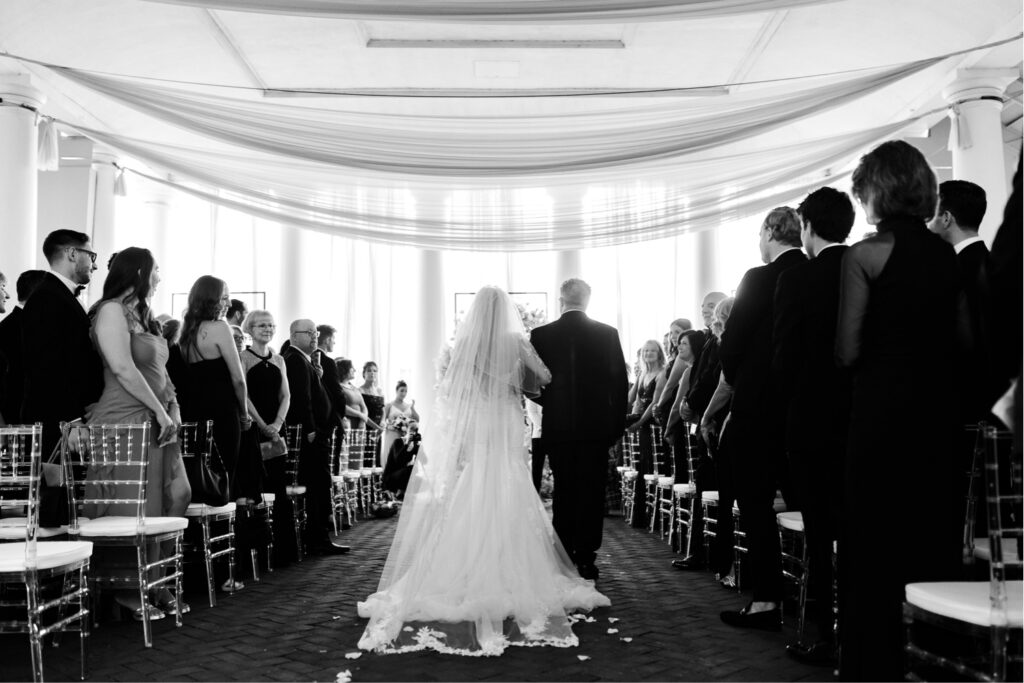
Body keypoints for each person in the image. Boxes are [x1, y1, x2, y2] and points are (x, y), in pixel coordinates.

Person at [358, 285, 608, 655]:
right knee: (509, 484)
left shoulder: (465, 344)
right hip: (505, 420)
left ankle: (463, 569)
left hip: (478, 423)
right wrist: (519, 382)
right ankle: (512, 570)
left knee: (475, 485)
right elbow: (544, 377)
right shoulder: (515, 342)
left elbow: (455, 389)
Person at [836, 140, 962, 681]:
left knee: (873, 540)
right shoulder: (949, 256)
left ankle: (873, 661)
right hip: (937, 417)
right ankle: (933, 657)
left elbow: (846, 351)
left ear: (876, 192)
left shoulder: (864, 254)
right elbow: (966, 343)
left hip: (880, 413)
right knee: (931, 533)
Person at [771, 186, 855, 665]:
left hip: (811, 424)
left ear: (807, 226)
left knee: (820, 534)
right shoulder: (868, 268)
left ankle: (827, 634)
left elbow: (784, 361)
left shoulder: (799, 281)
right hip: (861, 421)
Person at [87, 247, 191, 619]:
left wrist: (172, 408)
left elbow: (162, 374)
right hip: (125, 418)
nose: (160, 277)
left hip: (158, 418)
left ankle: (155, 581)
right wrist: (160, 411)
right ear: (139, 272)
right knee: (136, 508)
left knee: (177, 496)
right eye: (157, 270)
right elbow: (122, 368)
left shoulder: (145, 317)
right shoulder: (111, 310)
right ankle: (129, 592)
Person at [718, 206, 806, 631]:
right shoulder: (819, 271)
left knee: (754, 504)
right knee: (808, 504)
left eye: (759, 233)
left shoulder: (758, 277)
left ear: (771, 231)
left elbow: (731, 346)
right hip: (805, 408)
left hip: (757, 407)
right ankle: (814, 598)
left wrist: (740, 379)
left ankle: (768, 599)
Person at [530, 278, 629, 581]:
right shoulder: (606, 334)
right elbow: (620, 385)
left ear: (561, 301)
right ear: (587, 300)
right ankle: (587, 558)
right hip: (596, 429)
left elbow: (532, 384)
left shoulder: (542, 334)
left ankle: (564, 555)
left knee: (564, 491)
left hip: (559, 427)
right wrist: (614, 428)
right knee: (591, 492)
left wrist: (553, 402)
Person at [22, 230, 105, 455]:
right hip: (59, 421)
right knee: (57, 487)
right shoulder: (47, 298)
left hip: (67, 419)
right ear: (71, 253)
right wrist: (72, 420)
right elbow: (47, 367)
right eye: (91, 256)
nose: (94, 266)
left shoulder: (58, 295)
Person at [178, 276, 250, 500]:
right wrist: (244, 413)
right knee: (225, 475)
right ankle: (223, 529)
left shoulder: (186, 332)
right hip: (223, 413)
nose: (229, 304)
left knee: (200, 475)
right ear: (210, 300)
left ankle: (202, 531)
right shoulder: (220, 327)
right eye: (225, 298)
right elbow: (238, 379)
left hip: (194, 411)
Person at [283, 320, 348, 555]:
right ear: (294, 335)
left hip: (317, 434)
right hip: (311, 436)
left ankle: (319, 537)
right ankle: (317, 540)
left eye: (315, 332)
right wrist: (311, 429)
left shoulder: (306, 360)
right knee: (317, 485)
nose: (314, 336)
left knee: (320, 485)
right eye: (309, 332)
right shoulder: (295, 359)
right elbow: (301, 399)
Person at [239, 310, 293, 563]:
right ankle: (259, 551)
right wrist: (262, 425)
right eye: (261, 325)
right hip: (254, 432)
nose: (267, 329)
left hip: (275, 430)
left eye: (271, 325)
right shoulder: (243, 357)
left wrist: (277, 424)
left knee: (279, 487)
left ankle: (283, 551)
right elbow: (244, 395)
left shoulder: (280, 359)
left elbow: (286, 395)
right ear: (249, 329)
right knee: (258, 487)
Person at [624, 340, 665, 528]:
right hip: (642, 425)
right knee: (642, 465)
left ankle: (655, 518)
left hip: (653, 425)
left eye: (652, 351)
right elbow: (634, 399)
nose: (648, 354)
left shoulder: (661, 373)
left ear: (659, 353)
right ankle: (642, 516)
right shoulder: (643, 374)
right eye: (646, 351)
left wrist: (639, 422)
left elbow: (654, 403)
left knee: (650, 465)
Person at [0, 270, 46, 424]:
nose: (7, 295)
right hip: (18, 421)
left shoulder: (9, 325)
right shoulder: (23, 327)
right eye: (2, 287)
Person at [381, 380, 420, 470]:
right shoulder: (389, 405)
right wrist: (390, 425)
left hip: (404, 437)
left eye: (405, 391)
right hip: (392, 435)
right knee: (392, 458)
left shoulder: (408, 406)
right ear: (396, 391)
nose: (404, 393)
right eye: (401, 390)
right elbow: (383, 421)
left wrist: (413, 408)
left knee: (402, 459)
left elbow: (417, 419)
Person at [358, 362, 386, 431]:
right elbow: (362, 412)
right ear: (364, 374)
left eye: (375, 371)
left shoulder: (380, 391)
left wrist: (382, 422)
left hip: (379, 429)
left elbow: (383, 410)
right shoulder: (360, 391)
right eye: (369, 370)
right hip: (365, 426)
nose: (372, 373)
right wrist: (377, 427)